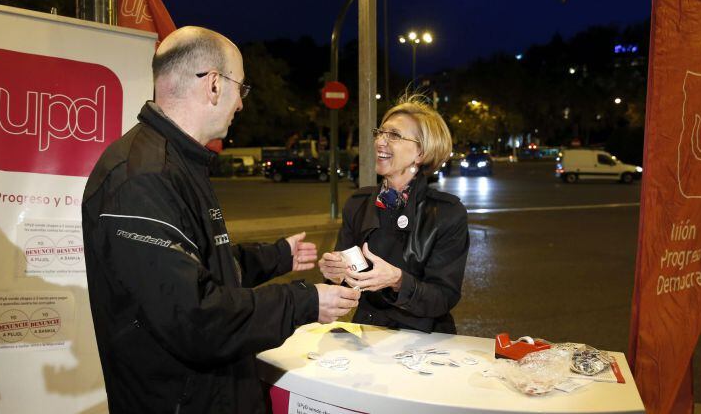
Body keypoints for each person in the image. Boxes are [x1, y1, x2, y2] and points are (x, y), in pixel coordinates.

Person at [81, 26, 360, 414]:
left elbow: (203, 264)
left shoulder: (177, 162)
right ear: (214, 85)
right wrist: (304, 301)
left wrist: (278, 256)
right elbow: (194, 317)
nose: (241, 104)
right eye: (240, 88)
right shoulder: (143, 177)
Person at [319, 95, 469, 334]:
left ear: (421, 153)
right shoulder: (358, 204)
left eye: (394, 135)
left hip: (424, 338)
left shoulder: (447, 213)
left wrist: (398, 280)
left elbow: (444, 297)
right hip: (367, 331)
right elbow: (346, 280)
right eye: (380, 133)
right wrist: (335, 275)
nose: (380, 141)